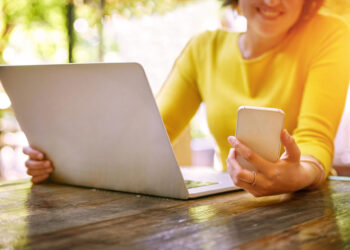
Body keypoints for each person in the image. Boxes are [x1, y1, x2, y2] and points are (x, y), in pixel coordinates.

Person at [23, 0, 350, 197]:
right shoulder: (204, 48)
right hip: (233, 209)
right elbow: (152, 132)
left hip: (306, 206)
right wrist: (65, 160)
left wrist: (301, 173)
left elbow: (315, 136)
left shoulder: (330, 34)